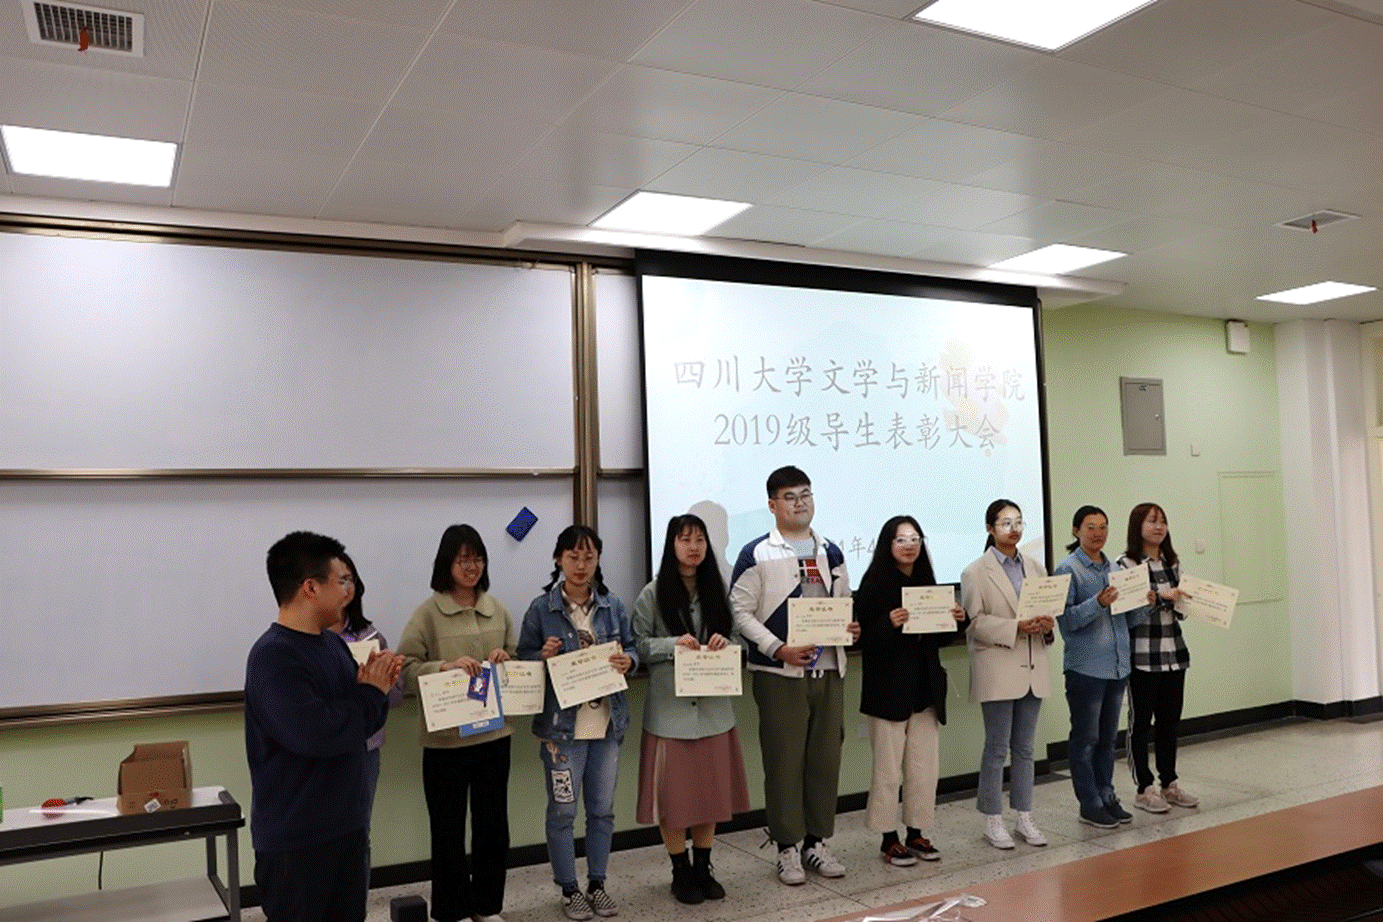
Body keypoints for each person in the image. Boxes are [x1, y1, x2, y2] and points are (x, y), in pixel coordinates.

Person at [245, 531, 402, 922]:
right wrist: (371, 692)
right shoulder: (273, 657)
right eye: (341, 581)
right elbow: (320, 733)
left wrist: (377, 688)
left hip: (346, 826)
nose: (348, 592)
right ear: (310, 588)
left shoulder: (332, 645)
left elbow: (363, 721)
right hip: (298, 839)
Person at [729, 465, 859, 885]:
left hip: (829, 670)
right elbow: (740, 612)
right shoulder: (756, 553)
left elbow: (843, 603)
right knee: (784, 762)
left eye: (805, 494)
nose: (800, 503)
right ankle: (787, 847)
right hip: (779, 674)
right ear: (772, 505)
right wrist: (777, 648)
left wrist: (850, 628)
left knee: (825, 760)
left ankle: (816, 843)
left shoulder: (831, 551)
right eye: (789, 496)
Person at [517, 525, 638, 922]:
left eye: (589, 557)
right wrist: (542, 656)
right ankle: (569, 888)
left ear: (598, 559)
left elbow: (632, 647)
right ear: (559, 559)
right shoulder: (542, 609)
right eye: (573, 557)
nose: (581, 565)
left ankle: (597, 884)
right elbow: (523, 660)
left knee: (602, 811)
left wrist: (630, 660)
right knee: (563, 812)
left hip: (606, 725)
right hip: (561, 731)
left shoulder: (612, 605)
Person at [396, 525, 516, 922]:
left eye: (478, 558)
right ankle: (452, 911)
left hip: (493, 735)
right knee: (447, 829)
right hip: (446, 742)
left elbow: (517, 662)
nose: (472, 566)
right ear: (446, 563)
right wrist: (443, 667)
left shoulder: (497, 609)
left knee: (493, 826)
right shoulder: (427, 613)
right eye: (463, 559)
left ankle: (487, 906)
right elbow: (404, 669)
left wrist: (506, 660)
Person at [634, 514, 750, 905]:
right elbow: (638, 646)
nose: (693, 547)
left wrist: (725, 645)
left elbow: (738, 641)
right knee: (674, 800)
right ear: (672, 545)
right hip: (670, 714)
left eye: (699, 539)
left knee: (710, 796)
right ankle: (679, 870)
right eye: (685, 539)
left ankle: (703, 866)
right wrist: (673, 645)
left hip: (715, 711)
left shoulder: (718, 590)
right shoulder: (652, 593)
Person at [856, 515, 967, 867]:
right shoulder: (873, 583)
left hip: (925, 689)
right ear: (888, 544)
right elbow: (862, 640)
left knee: (923, 768)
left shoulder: (928, 583)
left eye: (915, 539)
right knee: (887, 770)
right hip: (887, 690)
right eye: (901, 539)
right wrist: (888, 623)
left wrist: (957, 621)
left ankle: (916, 832)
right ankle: (888, 838)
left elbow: (939, 638)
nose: (909, 545)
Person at [961, 500, 1053, 850]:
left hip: (1032, 665)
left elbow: (1047, 610)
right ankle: (992, 819)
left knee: (1026, 749)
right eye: (1005, 523)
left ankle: (1024, 816)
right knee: (997, 748)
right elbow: (974, 622)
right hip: (998, 668)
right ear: (990, 528)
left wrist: (1047, 625)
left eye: (1018, 522)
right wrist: (1016, 627)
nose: (1013, 529)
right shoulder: (975, 572)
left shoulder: (1036, 567)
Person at [1054, 506, 1150, 829]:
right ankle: (1089, 803)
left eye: (1103, 527)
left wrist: (1144, 605)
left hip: (1117, 667)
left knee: (1108, 740)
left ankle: (1107, 796)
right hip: (1086, 669)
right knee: (1085, 740)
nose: (1098, 533)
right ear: (1076, 531)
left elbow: (1127, 619)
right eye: (1091, 527)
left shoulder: (1115, 568)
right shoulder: (1067, 569)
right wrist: (1098, 602)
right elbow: (1067, 622)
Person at [327, 552, 403, 887]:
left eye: (350, 580)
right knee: (322, 833)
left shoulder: (370, 638)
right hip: (324, 747)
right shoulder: (306, 639)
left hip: (364, 750)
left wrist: (384, 680)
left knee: (359, 830)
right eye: (338, 580)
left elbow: (395, 698)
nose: (345, 588)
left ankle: (356, 903)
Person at [1117, 503, 1199, 813]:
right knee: (1140, 724)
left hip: (1174, 653)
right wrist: (1162, 597)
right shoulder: (1125, 564)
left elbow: (1183, 611)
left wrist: (1185, 600)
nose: (1158, 527)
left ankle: (1170, 783)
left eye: (1163, 521)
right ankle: (1144, 788)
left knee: (1169, 723)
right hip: (1142, 656)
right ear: (1137, 526)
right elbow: (1128, 608)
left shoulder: (1172, 563)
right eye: (1152, 521)